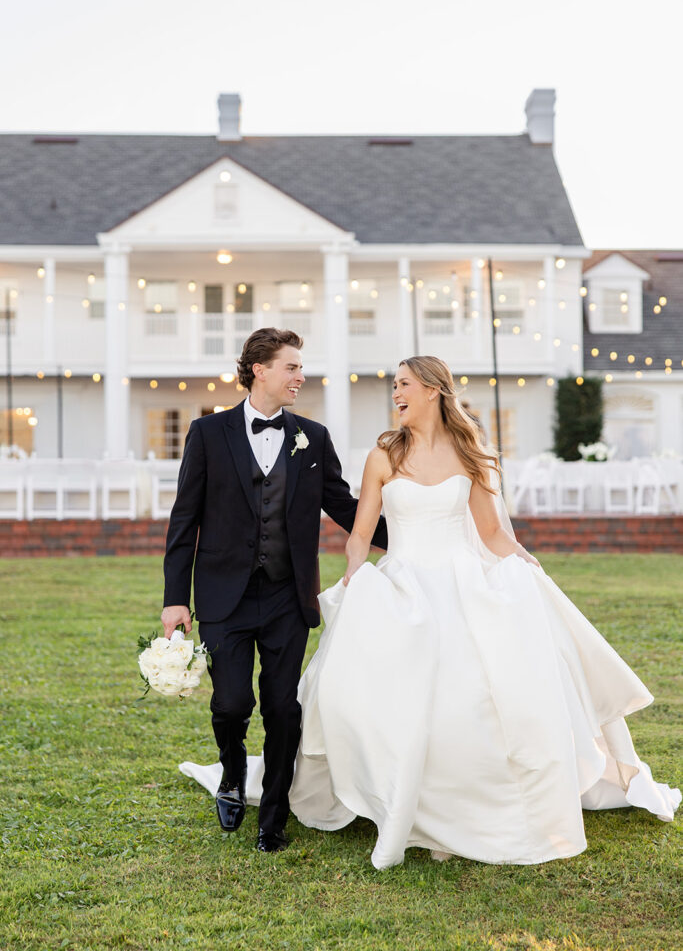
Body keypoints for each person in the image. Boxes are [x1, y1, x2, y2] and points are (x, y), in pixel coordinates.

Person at [179, 355, 679, 867]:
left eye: (404, 384)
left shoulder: (471, 454)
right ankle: (381, 789)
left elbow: (492, 533)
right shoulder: (383, 455)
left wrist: (530, 566)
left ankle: (463, 800)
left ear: (435, 391)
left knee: (471, 697)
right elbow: (358, 537)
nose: (396, 393)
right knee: (377, 692)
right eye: (394, 385)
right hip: (403, 585)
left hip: (462, 586)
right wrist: (354, 580)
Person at [162, 327, 387, 853]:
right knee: (231, 702)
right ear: (259, 369)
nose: (300, 376)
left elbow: (345, 507)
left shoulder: (313, 436)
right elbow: (183, 519)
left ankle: (276, 815)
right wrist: (176, 598)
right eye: (291, 367)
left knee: (283, 707)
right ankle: (233, 775)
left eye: (300, 368)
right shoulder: (207, 434)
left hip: (288, 595)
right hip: (224, 596)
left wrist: (408, 539)